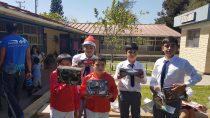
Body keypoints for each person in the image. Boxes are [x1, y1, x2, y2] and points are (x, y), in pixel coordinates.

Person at [150, 37, 202, 118]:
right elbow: (153, 77)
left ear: (177, 48)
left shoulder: (183, 63)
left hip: (173, 99)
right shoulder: (158, 62)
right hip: (159, 98)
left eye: (173, 46)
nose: (169, 48)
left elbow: (198, 76)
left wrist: (185, 85)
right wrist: (152, 87)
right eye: (167, 46)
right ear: (162, 48)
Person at [0, 22, 32, 118]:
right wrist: (29, 71)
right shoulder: (24, 41)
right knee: (16, 94)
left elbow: (1, 58)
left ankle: (19, 114)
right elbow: (28, 58)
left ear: (7, 30)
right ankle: (12, 115)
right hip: (21, 71)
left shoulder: (4, 40)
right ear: (17, 30)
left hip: (9, 72)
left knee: (9, 95)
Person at [114, 43, 147, 118]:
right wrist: (119, 76)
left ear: (137, 53)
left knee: (136, 114)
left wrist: (141, 77)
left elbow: (144, 81)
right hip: (123, 93)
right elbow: (115, 78)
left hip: (136, 93)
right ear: (126, 53)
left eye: (134, 52)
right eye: (130, 52)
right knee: (124, 114)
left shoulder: (140, 66)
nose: (132, 54)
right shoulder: (120, 65)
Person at [72, 35, 97, 118]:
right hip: (78, 87)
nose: (89, 50)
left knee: (89, 112)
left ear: (94, 49)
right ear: (83, 48)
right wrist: (78, 64)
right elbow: (72, 71)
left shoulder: (97, 59)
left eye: (91, 48)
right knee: (77, 111)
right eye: (87, 47)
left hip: (91, 88)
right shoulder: (77, 57)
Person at [50, 53, 80, 118]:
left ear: (71, 64)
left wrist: (76, 108)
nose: (65, 66)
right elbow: (54, 91)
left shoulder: (73, 74)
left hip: (70, 108)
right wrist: (66, 81)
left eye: (68, 64)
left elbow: (75, 93)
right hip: (57, 108)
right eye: (62, 64)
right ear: (57, 65)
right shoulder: (54, 74)